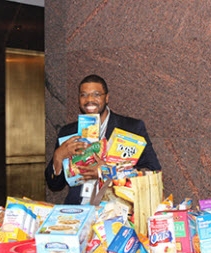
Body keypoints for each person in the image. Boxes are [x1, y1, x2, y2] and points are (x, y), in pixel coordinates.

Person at [45, 74, 161, 204]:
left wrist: (107, 173)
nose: (89, 99)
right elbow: (54, 185)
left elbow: (153, 170)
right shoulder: (68, 132)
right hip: (78, 210)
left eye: (96, 94)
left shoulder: (131, 127)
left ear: (106, 98)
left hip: (117, 211)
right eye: (83, 95)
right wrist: (58, 157)